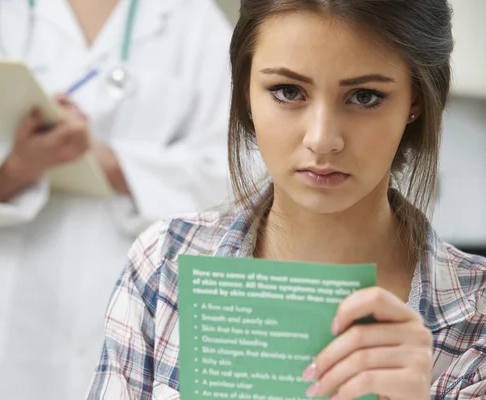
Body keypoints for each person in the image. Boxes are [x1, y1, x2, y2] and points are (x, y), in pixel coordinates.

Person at [87, 0, 486, 398]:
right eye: (288, 91)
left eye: (364, 97)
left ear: (415, 100)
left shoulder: (477, 316)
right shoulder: (164, 265)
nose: (322, 139)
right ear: (245, 91)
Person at [0, 0, 233, 399]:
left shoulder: (191, 19)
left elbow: (236, 177)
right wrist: (17, 166)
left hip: (136, 333)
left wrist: (109, 162)